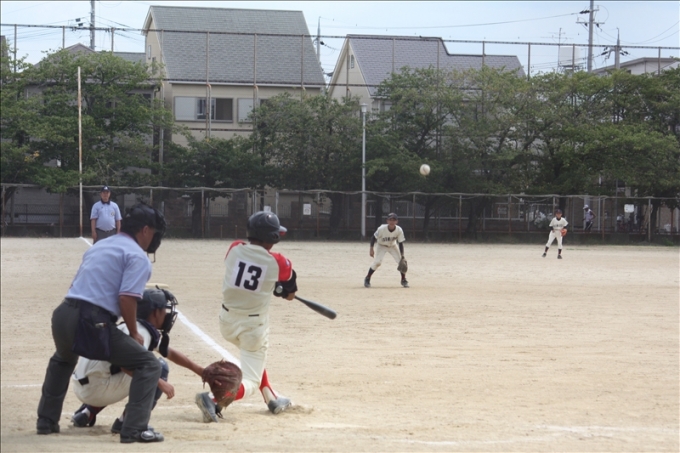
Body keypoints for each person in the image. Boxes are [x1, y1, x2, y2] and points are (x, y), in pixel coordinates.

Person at [36, 203, 168, 444]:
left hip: (63, 314)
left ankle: (46, 421)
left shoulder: (101, 245)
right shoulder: (138, 256)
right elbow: (126, 298)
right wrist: (133, 332)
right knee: (149, 364)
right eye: (155, 232)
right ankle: (134, 429)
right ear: (145, 230)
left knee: (62, 360)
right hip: (90, 320)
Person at [195, 211, 297, 423]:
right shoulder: (279, 262)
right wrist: (281, 290)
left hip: (226, 322)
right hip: (252, 328)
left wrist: (272, 286)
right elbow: (290, 294)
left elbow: (250, 274)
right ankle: (214, 399)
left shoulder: (234, 248)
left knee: (254, 359)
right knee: (251, 379)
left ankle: (271, 397)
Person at [70, 287, 205, 435]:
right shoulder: (141, 333)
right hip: (97, 389)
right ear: (155, 313)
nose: (167, 315)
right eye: (164, 310)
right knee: (157, 368)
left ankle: (87, 412)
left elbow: (169, 352)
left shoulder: (131, 327)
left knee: (117, 370)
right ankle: (127, 421)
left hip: (82, 384)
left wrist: (201, 371)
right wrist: (159, 382)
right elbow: (125, 366)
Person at [364, 213, 408, 288]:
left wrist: (402, 255)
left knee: (401, 262)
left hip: (393, 246)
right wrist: (371, 249)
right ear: (387, 221)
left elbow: (400, 243)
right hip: (381, 246)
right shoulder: (381, 228)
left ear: (396, 221)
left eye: (394, 220)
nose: (392, 222)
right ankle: (367, 278)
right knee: (377, 262)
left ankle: (403, 280)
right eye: (390, 220)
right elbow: (373, 238)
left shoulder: (399, 230)